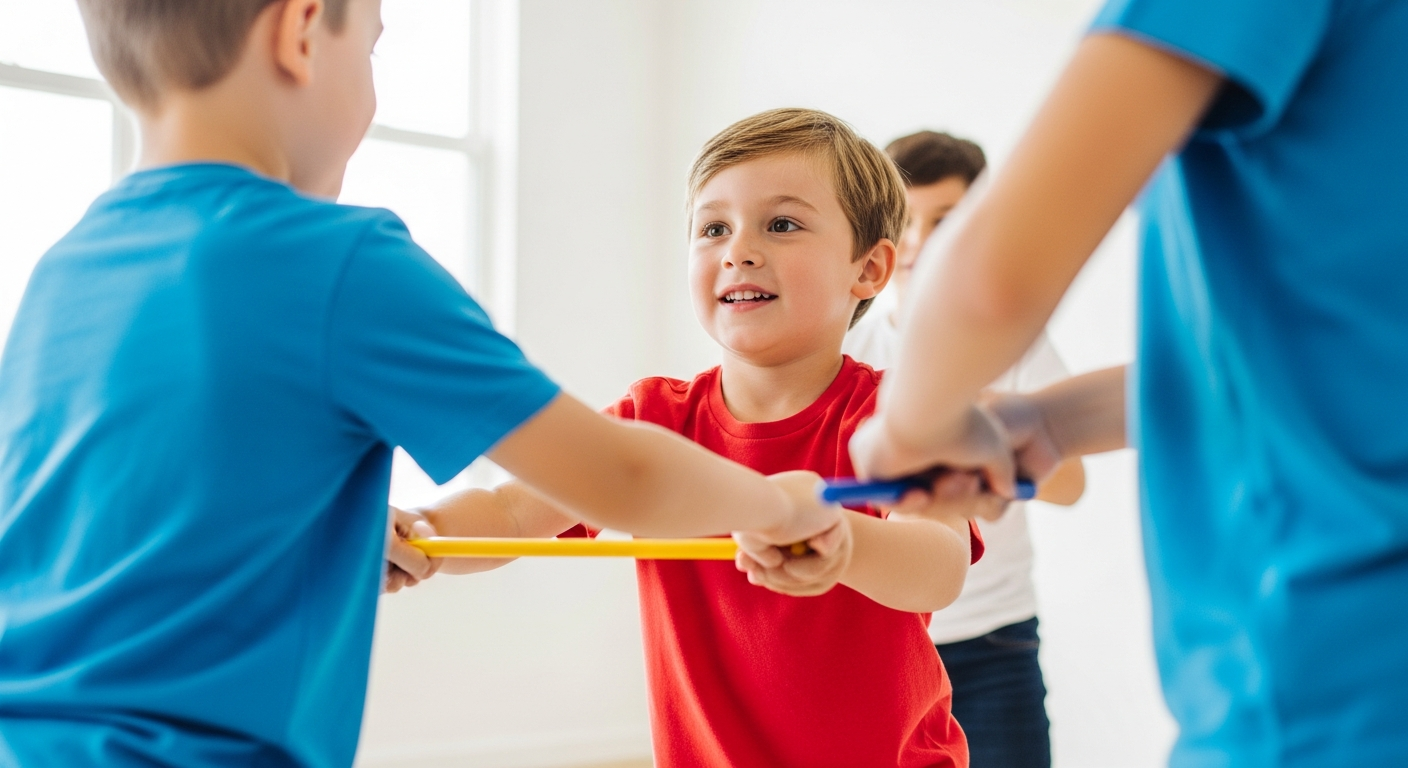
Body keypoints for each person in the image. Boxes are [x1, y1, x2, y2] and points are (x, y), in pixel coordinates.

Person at [0, 2, 846, 766]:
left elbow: (114, 520)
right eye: (370, 49)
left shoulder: (66, 268)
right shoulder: (338, 260)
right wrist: (776, 506)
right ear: (300, 33)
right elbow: (616, 476)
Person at [850, 1, 1408, 765]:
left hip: (1333, 673)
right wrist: (1058, 422)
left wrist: (907, 427)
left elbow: (991, 283)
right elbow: (1330, 368)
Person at [396, 108, 1020, 767]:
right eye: (713, 227)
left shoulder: (904, 415)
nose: (738, 249)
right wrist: (422, 534)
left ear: (868, 270)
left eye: (781, 224)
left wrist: (845, 542)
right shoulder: (651, 420)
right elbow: (513, 511)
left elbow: (938, 566)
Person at [844, 130, 1085, 768]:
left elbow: (1070, 483)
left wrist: (976, 422)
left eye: (946, 221)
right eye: (908, 220)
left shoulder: (1014, 344)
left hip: (992, 641)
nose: (922, 241)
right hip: (878, 638)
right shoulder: (842, 350)